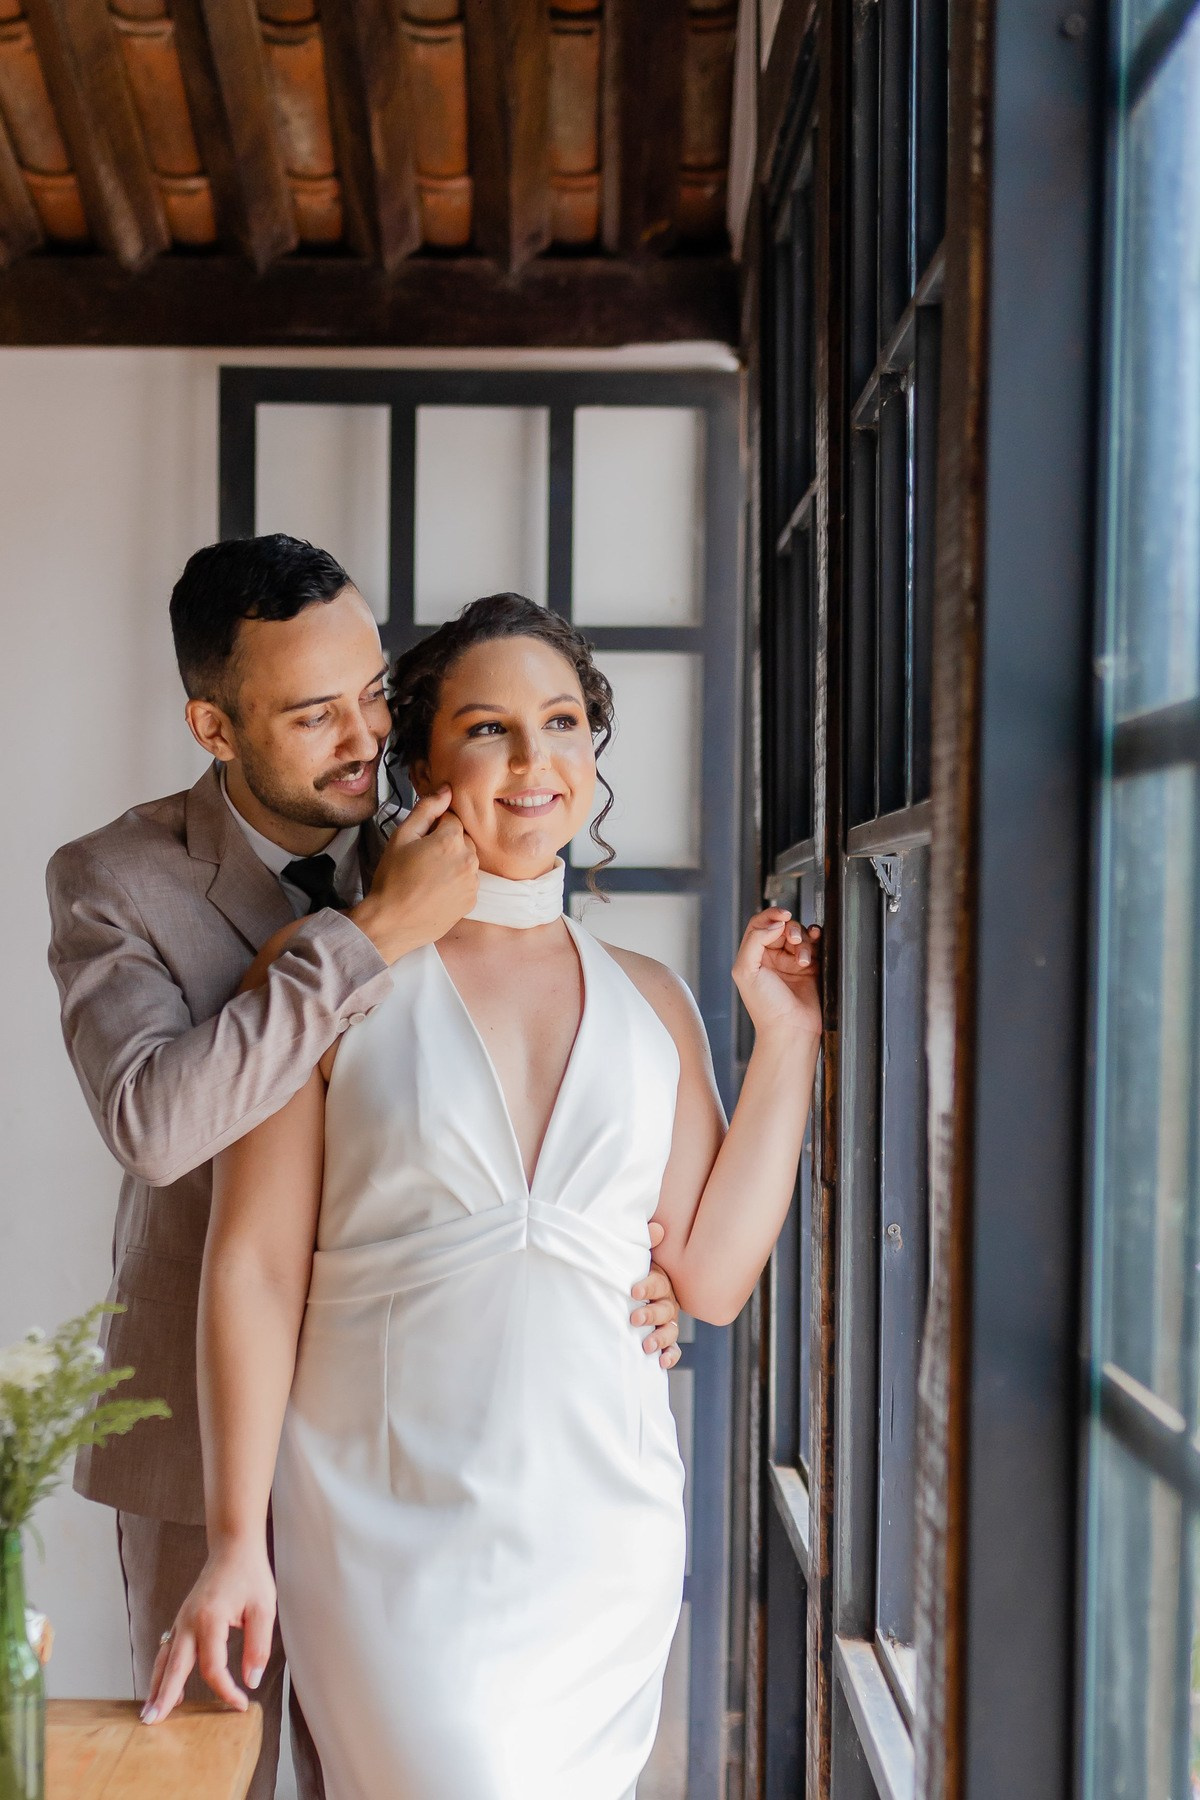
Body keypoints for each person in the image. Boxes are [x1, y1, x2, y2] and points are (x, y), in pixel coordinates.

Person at [145, 593, 822, 1800]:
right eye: (489, 727)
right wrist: (237, 1538)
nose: (533, 761)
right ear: (420, 762)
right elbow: (250, 1269)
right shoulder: (328, 977)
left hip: (602, 1532)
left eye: (562, 722)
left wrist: (787, 1041)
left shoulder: (653, 999)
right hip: (382, 1527)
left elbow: (711, 1279)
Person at [46, 544, 683, 1800]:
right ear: (213, 726)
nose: (363, 737)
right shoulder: (113, 880)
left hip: (425, 1448)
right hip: (204, 1415)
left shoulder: (450, 820)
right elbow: (154, 1121)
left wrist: (641, 1262)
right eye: (312, 712)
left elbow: (558, 1070)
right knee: (213, 1774)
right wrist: (370, 933)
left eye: (373, 693)